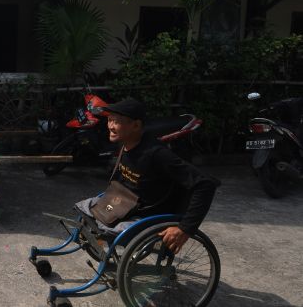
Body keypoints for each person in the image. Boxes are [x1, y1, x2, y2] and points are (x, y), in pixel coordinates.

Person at [76, 98, 220, 254]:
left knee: (106, 231)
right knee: (85, 210)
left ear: (136, 125)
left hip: (146, 215)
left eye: (116, 122)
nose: (110, 126)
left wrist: (184, 229)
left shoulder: (157, 154)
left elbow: (205, 184)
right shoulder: (126, 144)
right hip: (125, 205)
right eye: (109, 120)